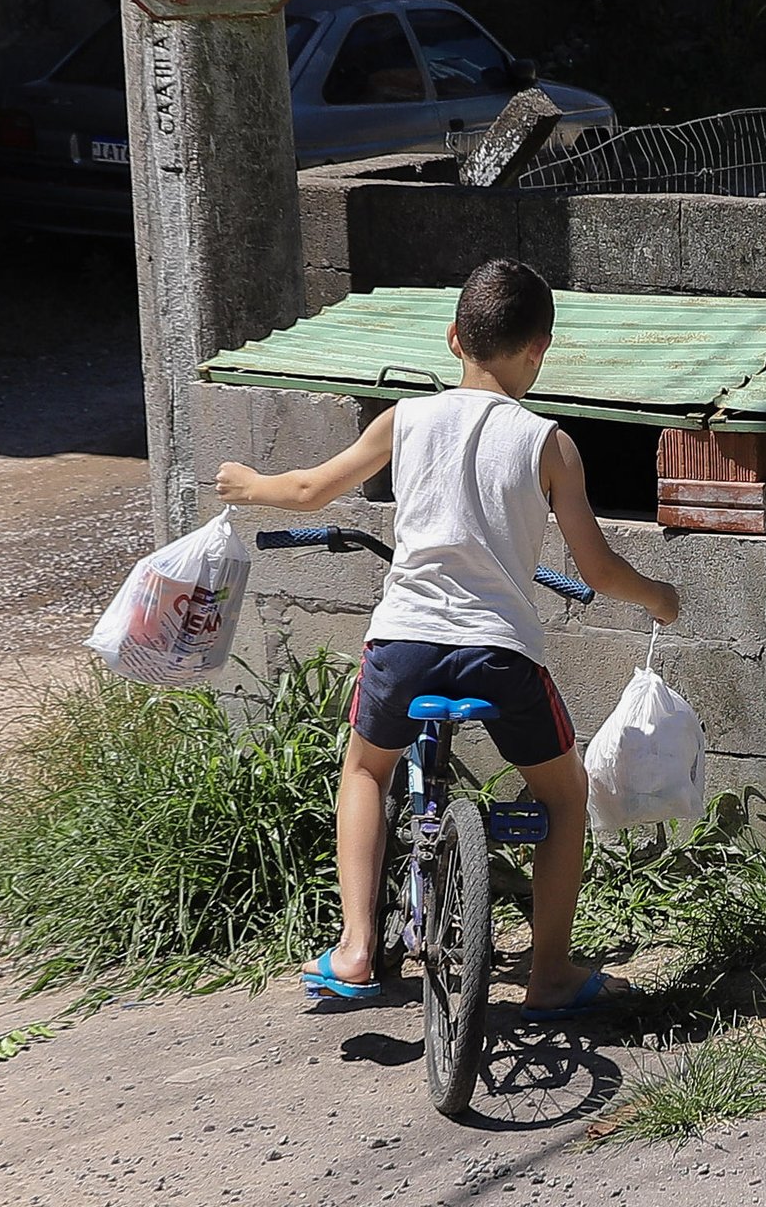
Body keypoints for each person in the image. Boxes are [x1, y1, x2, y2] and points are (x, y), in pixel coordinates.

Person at [215, 259, 678, 1020]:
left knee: (365, 772)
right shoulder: (549, 444)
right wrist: (659, 599)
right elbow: (595, 567)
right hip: (501, 654)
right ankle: (552, 973)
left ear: (454, 338)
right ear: (540, 350)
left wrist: (246, 485)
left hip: (402, 645)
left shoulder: (405, 418)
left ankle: (357, 948)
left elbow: (306, 490)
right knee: (564, 800)